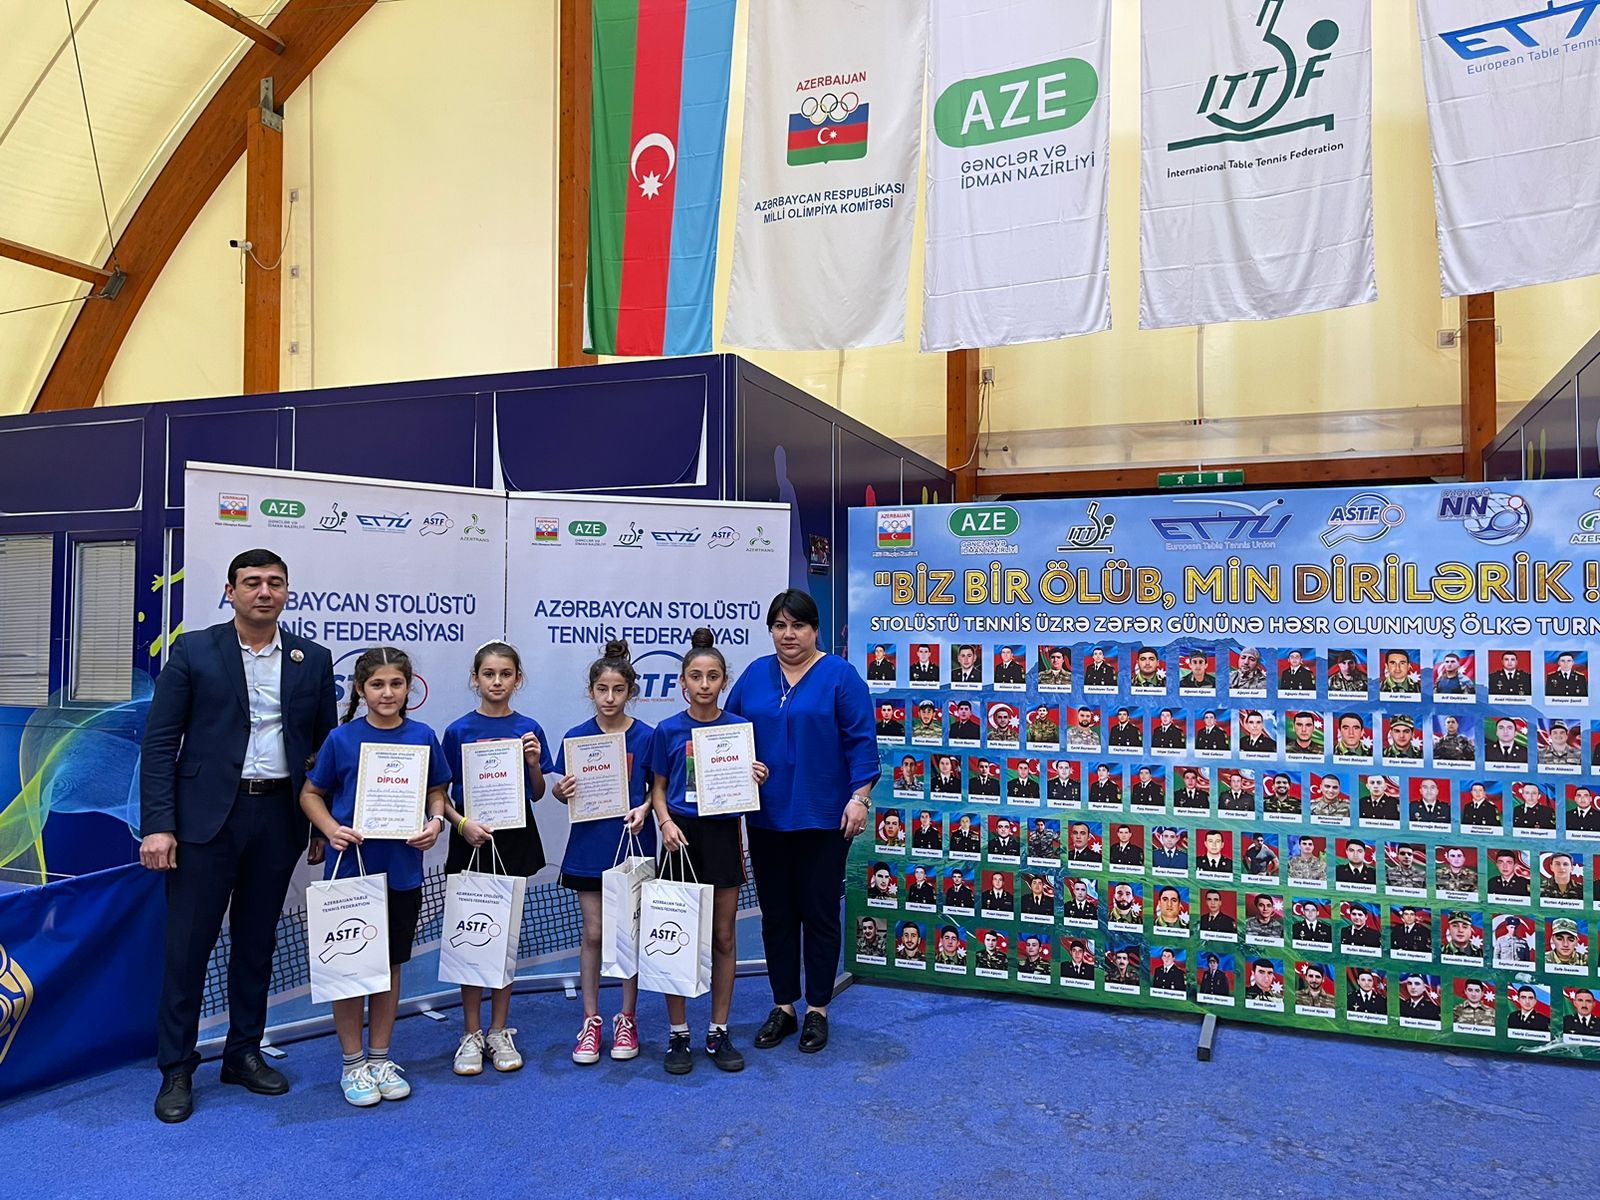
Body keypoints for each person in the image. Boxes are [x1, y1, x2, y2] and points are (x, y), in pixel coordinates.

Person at [140, 549, 337, 1124]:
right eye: (252, 582)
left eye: (275, 582)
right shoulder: (195, 650)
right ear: (230, 591)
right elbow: (160, 743)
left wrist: (320, 823)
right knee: (188, 948)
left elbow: (323, 751)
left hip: (279, 817)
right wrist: (159, 825)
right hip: (204, 823)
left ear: (287, 592)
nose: (264, 592)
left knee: (257, 943)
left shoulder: (312, 659)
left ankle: (243, 1053)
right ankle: (177, 1068)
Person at [301, 647, 451, 1106]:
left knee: (389, 967)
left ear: (409, 688)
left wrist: (435, 822)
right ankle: (352, 1064)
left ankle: (381, 1058)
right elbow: (311, 793)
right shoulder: (341, 739)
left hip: (402, 873)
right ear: (360, 689)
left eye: (396, 684)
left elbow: (437, 790)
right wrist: (331, 829)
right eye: (377, 685)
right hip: (350, 873)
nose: (387, 693)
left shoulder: (423, 736)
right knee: (350, 969)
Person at [725, 595, 872, 1058]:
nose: (788, 635)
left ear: (815, 629)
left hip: (825, 818)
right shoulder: (754, 675)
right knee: (777, 915)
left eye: (798, 626)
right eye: (779, 626)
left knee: (820, 913)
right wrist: (735, 769)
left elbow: (861, 742)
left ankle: (818, 1009)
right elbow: (725, 735)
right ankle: (784, 1006)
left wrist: (859, 798)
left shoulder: (840, 676)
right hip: (766, 818)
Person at [651, 629, 771, 1074]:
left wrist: (755, 776)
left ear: (724, 681)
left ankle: (718, 1031)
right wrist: (665, 822)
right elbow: (657, 789)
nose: (704, 684)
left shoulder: (739, 730)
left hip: (723, 837)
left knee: (723, 937)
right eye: (696, 676)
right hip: (678, 838)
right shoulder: (667, 730)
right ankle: (678, 1033)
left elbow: (746, 784)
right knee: (674, 937)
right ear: (683, 681)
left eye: (713, 676)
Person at [444, 640, 556, 1074]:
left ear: (517, 679)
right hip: (471, 840)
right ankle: (471, 1032)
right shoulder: (457, 730)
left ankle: (497, 1030)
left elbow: (537, 793)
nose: (496, 681)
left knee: (503, 938)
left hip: (515, 841)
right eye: (488, 674)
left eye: (505, 674)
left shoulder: (529, 727)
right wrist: (461, 824)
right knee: (471, 935)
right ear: (475, 679)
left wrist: (533, 763)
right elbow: (439, 795)